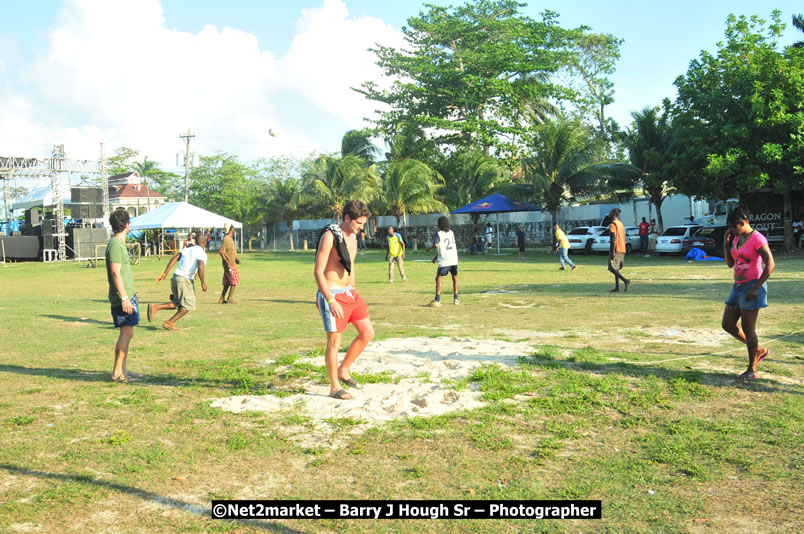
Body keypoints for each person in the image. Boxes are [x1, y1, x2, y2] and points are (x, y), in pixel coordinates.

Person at [314, 200, 374, 401]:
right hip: (331, 294)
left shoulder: (353, 237)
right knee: (334, 342)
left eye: (363, 224)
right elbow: (318, 272)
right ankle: (334, 387)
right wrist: (330, 300)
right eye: (358, 223)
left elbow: (351, 266)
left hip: (349, 293)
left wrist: (354, 290)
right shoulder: (330, 236)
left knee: (367, 332)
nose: (361, 228)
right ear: (347, 218)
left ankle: (344, 369)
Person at [721, 206, 775, 380]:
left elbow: (770, 264)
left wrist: (756, 287)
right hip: (737, 287)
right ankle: (759, 350)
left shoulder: (757, 238)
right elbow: (730, 264)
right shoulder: (737, 238)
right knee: (727, 324)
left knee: (748, 329)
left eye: (732, 226)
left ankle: (752, 369)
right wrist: (726, 243)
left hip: (752, 287)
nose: (731, 230)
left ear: (742, 222)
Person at [105, 208, 140, 383]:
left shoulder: (118, 244)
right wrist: (124, 298)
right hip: (122, 298)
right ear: (127, 225)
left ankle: (124, 370)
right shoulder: (115, 245)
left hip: (127, 296)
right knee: (125, 334)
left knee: (128, 334)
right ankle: (117, 373)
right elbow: (115, 273)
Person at [148, 234, 208, 330]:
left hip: (175, 277)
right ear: (204, 242)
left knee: (177, 303)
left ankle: (155, 307)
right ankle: (169, 322)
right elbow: (201, 265)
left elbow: (175, 258)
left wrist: (165, 273)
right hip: (184, 279)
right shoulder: (201, 253)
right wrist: (203, 283)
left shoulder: (187, 249)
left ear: (195, 241)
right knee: (188, 305)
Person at [426, 216, 459, 307]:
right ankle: (456, 299)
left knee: (439, 278)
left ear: (439, 224)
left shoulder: (438, 233)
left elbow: (436, 245)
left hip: (445, 259)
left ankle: (437, 299)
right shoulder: (451, 232)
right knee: (455, 277)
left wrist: (429, 248)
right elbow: (448, 247)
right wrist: (436, 257)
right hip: (454, 258)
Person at [607, 208, 630, 292]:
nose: (609, 214)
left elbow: (614, 238)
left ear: (613, 214)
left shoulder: (613, 224)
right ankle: (617, 287)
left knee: (611, 268)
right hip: (622, 248)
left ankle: (625, 280)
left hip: (616, 248)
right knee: (616, 268)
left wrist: (612, 251)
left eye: (610, 213)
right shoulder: (620, 223)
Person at [218, 222, 240, 304]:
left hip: (231, 262)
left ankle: (222, 298)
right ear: (231, 229)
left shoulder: (230, 239)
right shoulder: (226, 239)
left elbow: (230, 251)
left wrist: (236, 259)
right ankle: (230, 297)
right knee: (235, 280)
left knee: (227, 282)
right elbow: (221, 252)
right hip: (229, 264)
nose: (234, 230)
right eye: (233, 228)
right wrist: (227, 262)